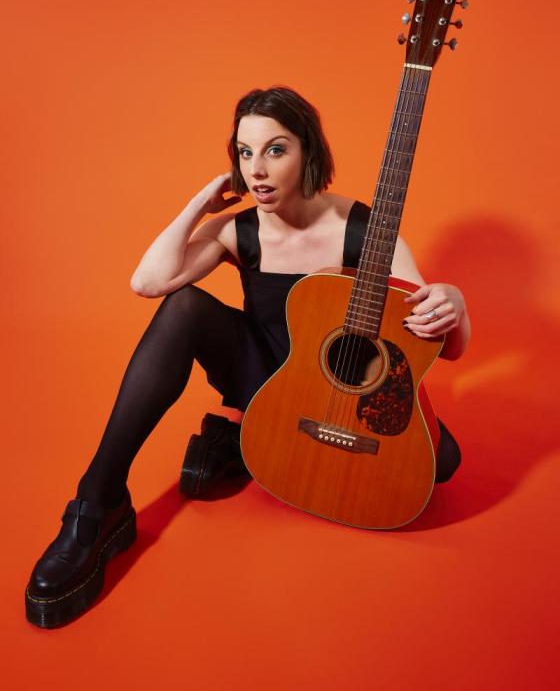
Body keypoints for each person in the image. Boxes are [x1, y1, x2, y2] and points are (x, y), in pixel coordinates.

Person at [25, 85, 471, 628]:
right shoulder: (242, 232)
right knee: (183, 305)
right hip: (266, 384)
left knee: (441, 464)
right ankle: (97, 505)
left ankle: (238, 443)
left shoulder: (365, 230)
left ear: (308, 150)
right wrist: (199, 205)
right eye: (244, 152)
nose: (257, 169)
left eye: (275, 150)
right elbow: (149, 282)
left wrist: (456, 304)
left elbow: (433, 343)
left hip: (341, 397)